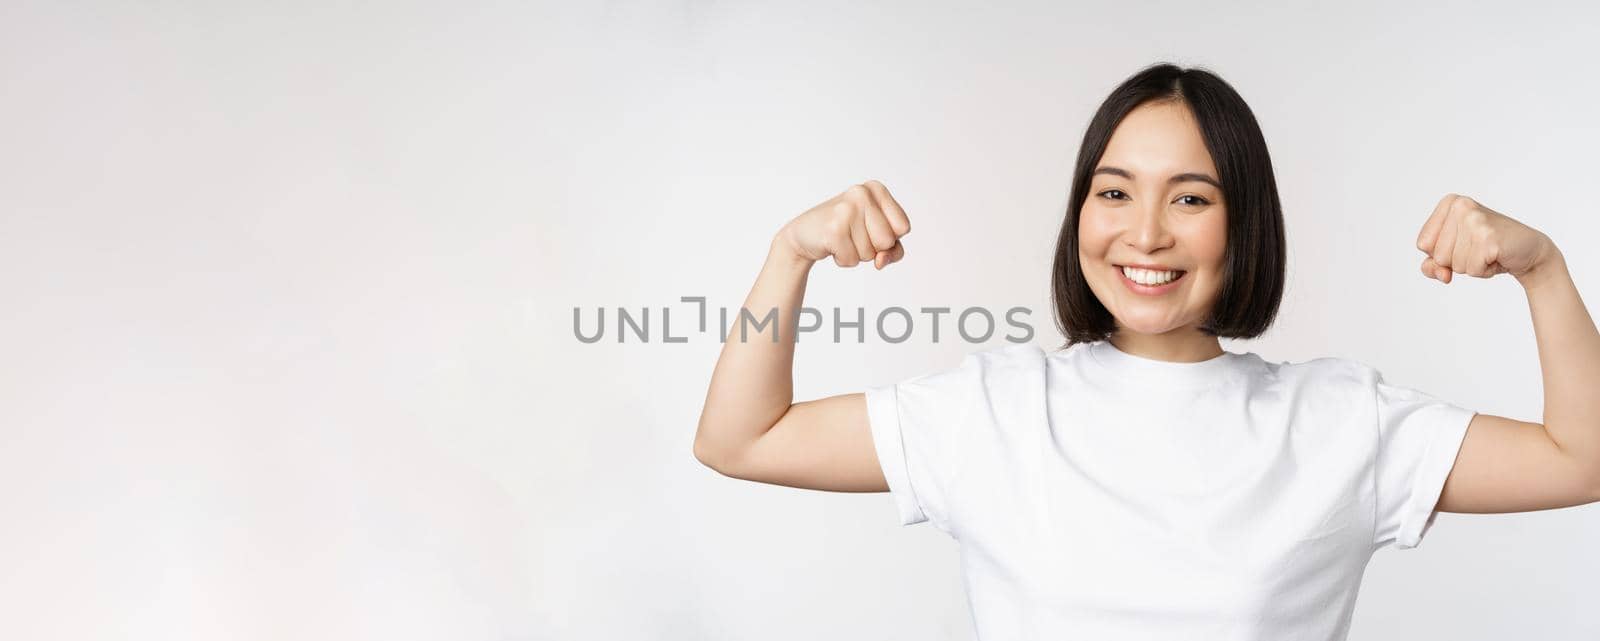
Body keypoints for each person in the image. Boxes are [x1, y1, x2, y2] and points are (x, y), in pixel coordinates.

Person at [691, 63, 1600, 639]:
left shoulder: (1337, 424)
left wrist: (1547, 271)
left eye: (1192, 199)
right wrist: (790, 254)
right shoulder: (996, 409)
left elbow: (1582, 459)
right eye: (1115, 193)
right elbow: (742, 438)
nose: (1146, 233)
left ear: (1245, 224)